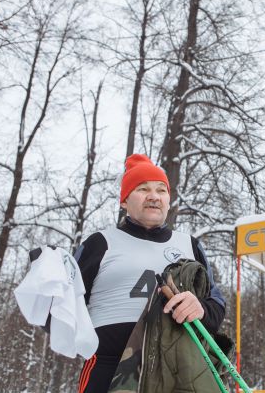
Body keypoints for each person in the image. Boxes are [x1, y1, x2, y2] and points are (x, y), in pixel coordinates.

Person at [75, 154, 226, 393]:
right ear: (124, 201)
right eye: (142, 188)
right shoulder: (100, 243)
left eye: (161, 190)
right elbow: (66, 307)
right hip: (110, 369)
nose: (154, 196)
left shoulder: (190, 245)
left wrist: (200, 309)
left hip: (177, 374)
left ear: (168, 200)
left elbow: (216, 306)